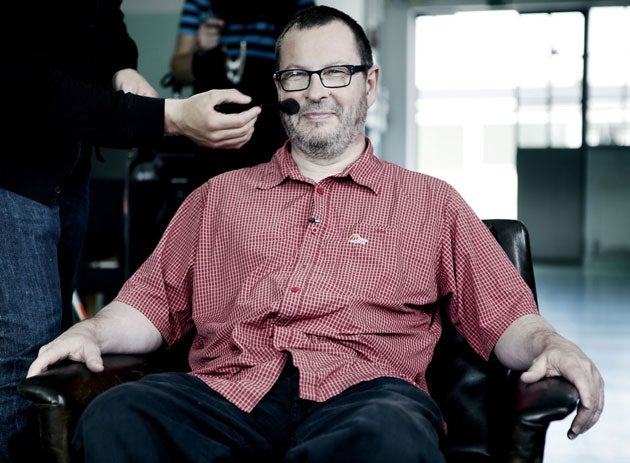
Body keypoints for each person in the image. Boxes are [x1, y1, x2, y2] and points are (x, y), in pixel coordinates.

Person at [27, 6, 604, 462]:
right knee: (117, 417)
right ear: (279, 87)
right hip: (225, 393)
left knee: (389, 438)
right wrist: (94, 330)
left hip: (366, 398)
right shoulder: (217, 198)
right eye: (297, 75)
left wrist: (551, 345)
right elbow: (151, 303)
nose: (315, 91)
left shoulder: (432, 203)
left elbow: (505, 315)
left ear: (369, 84)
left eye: (336, 73)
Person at [0, 1, 260, 461]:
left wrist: (121, 66)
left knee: (46, 342)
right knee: (22, 355)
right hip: (15, 168)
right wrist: (170, 117)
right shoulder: (208, 202)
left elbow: (105, 18)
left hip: (67, 168)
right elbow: (30, 86)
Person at [168, 0, 315, 181]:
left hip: (273, 125)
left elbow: (310, 65)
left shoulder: (299, 3)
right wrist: (199, 49)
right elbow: (179, 71)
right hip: (215, 129)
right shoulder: (201, 3)